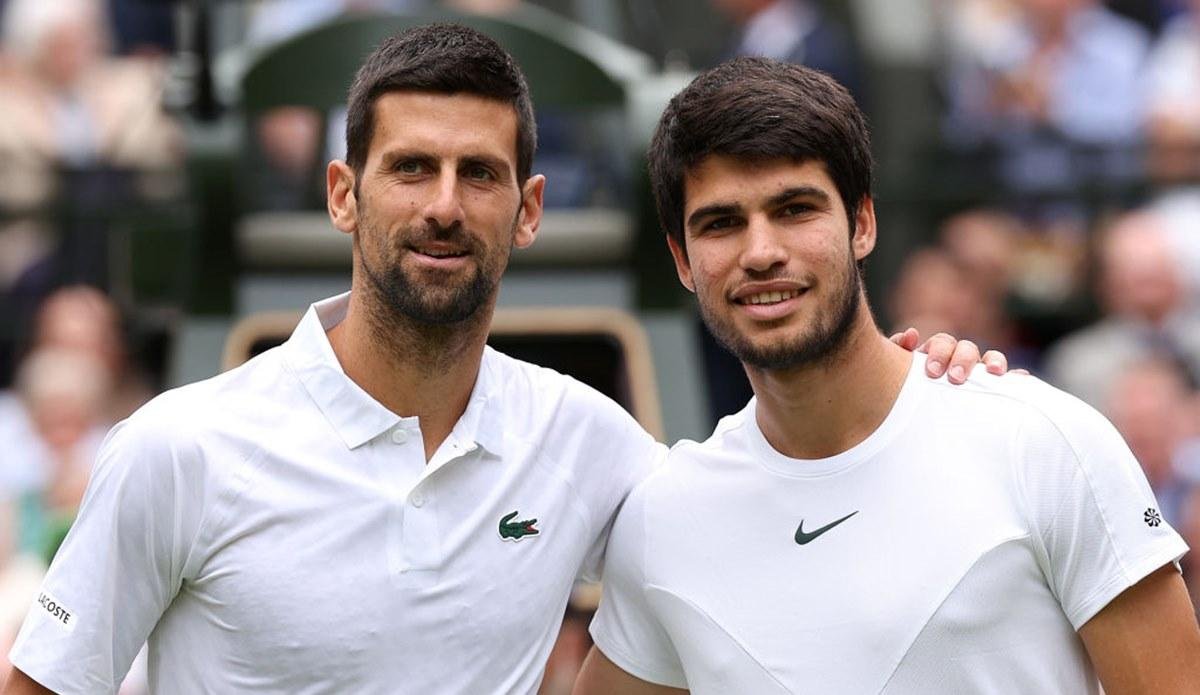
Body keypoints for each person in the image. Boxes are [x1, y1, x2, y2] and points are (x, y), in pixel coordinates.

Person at [3, 26, 996, 695]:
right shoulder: (178, 448)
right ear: (344, 195)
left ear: (526, 211)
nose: (443, 203)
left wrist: (907, 386)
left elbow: (774, 519)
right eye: (411, 168)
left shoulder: (588, 442)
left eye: (479, 173)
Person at [574, 57, 1200, 694]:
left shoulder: (1041, 440)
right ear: (682, 259)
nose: (761, 252)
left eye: (794, 209)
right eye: (721, 223)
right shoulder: (664, 518)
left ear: (863, 224)